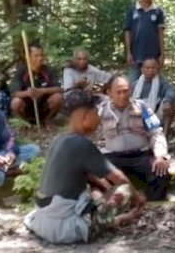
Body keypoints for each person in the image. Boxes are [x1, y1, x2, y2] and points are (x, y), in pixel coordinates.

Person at [24, 90, 146, 244]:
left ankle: (106, 218)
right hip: (65, 228)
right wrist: (137, 199)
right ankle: (106, 222)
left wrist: (104, 186)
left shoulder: (59, 139)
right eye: (96, 113)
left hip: (42, 220)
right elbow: (119, 178)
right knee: (125, 189)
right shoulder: (82, 144)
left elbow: (90, 175)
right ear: (85, 117)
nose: (99, 117)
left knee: (96, 186)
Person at [98, 75, 170, 201]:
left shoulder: (142, 107)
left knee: (160, 172)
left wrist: (160, 155)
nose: (122, 95)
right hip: (112, 156)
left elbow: (156, 132)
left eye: (125, 91)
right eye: (118, 92)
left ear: (130, 90)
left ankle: (153, 206)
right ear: (109, 93)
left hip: (140, 155)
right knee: (97, 176)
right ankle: (109, 210)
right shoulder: (101, 110)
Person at [10, 43, 63, 128]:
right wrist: (27, 93)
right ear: (28, 57)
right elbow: (14, 93)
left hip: (44, 106)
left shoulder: (49, 70)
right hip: (28, 106)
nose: (40, 58)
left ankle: (48, 120)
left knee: (58, 98)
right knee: (15, 103)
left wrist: (41, 91)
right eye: (36, 56)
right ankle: (27, 122)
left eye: (41, 55)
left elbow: (59, 89)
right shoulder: (21, 71)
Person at [123, 0, 166, 80]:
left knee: (153, 85)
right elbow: (127, 31)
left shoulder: (158, 11)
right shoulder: (132, 10)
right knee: (133, 84)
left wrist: (162, 54)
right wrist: (128, 52)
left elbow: (160, 33)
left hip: (153, 55)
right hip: (136, 54)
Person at [131, 58, 175, 137]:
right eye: (147, 68)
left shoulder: (161, 82)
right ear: (142, 69)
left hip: (155, 114)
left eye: (153, 68)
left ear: (157, 69)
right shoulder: (135, 84)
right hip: (139, 115)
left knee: (170, 104)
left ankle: (164, 136)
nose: (150, 70)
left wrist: (167, 101)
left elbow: (170, 91)